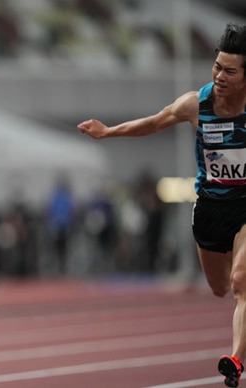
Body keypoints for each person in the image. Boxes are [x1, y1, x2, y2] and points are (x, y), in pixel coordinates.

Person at [78, 23, 246, 388]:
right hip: (211, 208)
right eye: (217, 66)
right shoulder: (196, 104)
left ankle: (235, 359)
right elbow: (154, 123)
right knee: (219, 287)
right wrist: (109, 132)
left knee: (240, 282)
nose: (219, 75)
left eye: (230, 71)